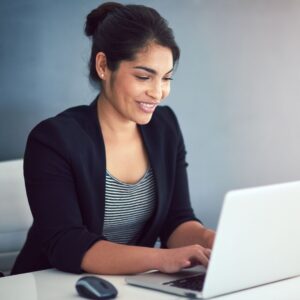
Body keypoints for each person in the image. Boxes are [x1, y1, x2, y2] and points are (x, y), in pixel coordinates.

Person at [12, 1, 215, 276]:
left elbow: (177, 221)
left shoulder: (165, 127)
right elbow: (68, 244)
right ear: (104, 65)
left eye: (166, 78)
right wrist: (161, 258)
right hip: (54, 286)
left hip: (126, 287)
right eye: (144, 77)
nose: (158, 92)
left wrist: (209, 240)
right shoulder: (53, 140)